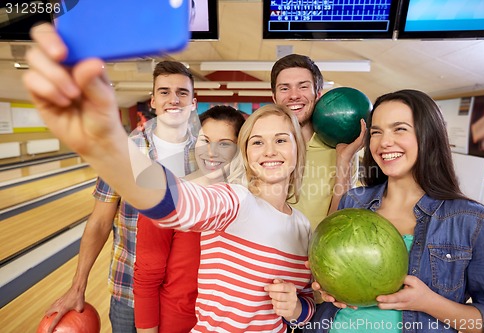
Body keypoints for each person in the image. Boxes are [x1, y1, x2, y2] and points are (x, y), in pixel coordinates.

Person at [23, 24, 315, 332]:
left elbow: (306, 306)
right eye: (257, 141)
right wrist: (109, 140)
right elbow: (179, 202)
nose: (269, 150)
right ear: (247, 153)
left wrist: (297, 307)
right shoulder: (235, 202)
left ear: (299, 149)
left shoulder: (303, 227)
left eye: (282, 140)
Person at [304, 89, 484, 333]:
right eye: (376, 132)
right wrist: (329, 288)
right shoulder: (353, 202)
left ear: (427, 135)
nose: (384, 142)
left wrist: (429, 303)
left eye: (399, 129)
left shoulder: (473, 221)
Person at [42, 57, 200, 332]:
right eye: (165, 92)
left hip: (187, 294)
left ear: (193, 102)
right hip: (129, 291)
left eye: (182, 93)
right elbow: (100, 222)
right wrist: (77, 287)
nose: (173, 100)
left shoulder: (206, 154)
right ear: (152, 101)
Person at [133, 105, 246, 333]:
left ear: (239, 149)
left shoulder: (246, 202)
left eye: (224, 143)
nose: (211, 152)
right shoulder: (168, 196)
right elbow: (146, 280)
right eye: (205, 140)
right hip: (177, 325)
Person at [270, 54, 366, 231]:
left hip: (316, 254)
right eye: (284, 88)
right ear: (275, 98)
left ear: (318, 94)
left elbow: (340, 222)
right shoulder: (263, 148)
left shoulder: (340, 150)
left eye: (303, 87)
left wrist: (344, 160)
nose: (293, 96)